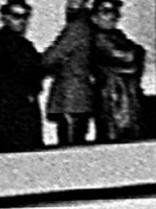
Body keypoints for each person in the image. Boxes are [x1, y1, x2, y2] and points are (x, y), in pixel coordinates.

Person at [0, 0, 47, 152]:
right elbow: (34, 66)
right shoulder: (7, 42)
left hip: (19, 112)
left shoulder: (16, 42)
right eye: (16, 16)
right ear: (4, 17)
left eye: (25, 16)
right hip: (11, 116)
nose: (22, 21)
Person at [39, 0, 102, 145]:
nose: (69, 6)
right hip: (80, 97)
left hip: (70, 99)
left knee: (69, 147)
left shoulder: (76, 27)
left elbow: (51, 57)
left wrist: (35, 63)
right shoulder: (89, 26)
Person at [88, 0, 149, 143]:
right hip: (112, 94)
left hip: (127, 92)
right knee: (115, 135)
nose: (113, 16)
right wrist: (133, 58)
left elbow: (136, 54)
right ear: (94, 16)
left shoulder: (117, 35)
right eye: (106, 12)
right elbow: (129, 55)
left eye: (114, 11)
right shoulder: (98, 37)